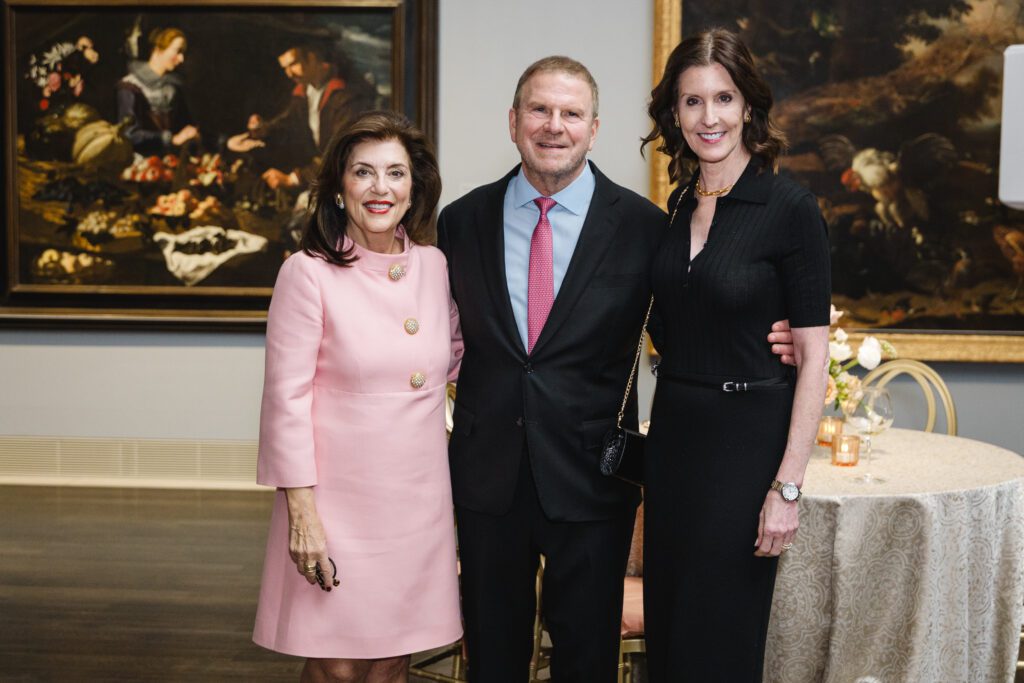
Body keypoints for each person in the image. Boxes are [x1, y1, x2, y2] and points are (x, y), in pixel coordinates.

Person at [437, 56, 797, 683]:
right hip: (486, 473)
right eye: (540, 110)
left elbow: (688, 326)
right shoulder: (461, 221)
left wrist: (773, 336)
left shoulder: (644, 227)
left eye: (571, 113)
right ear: (514, 121)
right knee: (491, 657)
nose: (555, 126)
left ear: (594, 128)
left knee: (586, 660)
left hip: (592, 475)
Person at [639, 28, 831, 681]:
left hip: (744, 448)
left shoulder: (789, 207)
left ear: (748, 105)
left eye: (724, 98)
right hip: (672, 443)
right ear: (675, 114)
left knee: (715, 643)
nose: (709, 116)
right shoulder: (681, 204)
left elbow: (814, 360)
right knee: (668, 636)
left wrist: (787, 487)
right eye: (692, 102)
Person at [253, 110, 463, 682]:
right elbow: (285, 401)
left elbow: (459, 359)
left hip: (416, 505)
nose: (380, 188)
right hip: (335, 504)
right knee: (339, 666)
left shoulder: (435, 266)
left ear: (413, 187)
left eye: (395, 173)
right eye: (363, 172)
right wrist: (302, 514)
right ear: (339, 187)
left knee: (393, 658)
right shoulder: (307, 273)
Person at [227, 44, 374, 190]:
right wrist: (265, 128)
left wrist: (294, 178)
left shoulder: (345, 97)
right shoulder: (305, 90)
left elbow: (344, 155)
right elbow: (288, 120)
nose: (289, 74)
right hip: (321, 172)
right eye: (285, 68)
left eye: (293, 65)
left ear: (312, 58)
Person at [116, 27, 199, 156]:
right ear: (158, 49)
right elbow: (129, 134)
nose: (181, 58)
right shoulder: (130, 86)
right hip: (139, 162)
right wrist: (170, 139)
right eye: (178, 51)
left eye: (183, 53)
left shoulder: (172, 87)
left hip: (170, 161)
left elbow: (187, 126)